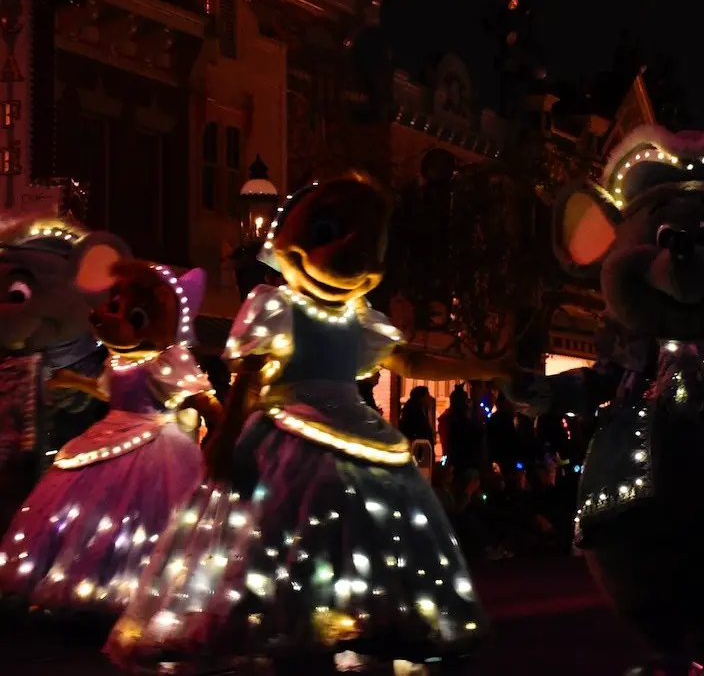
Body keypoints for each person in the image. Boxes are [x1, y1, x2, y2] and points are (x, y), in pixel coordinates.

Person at [106, 173, 499, 675]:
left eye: (367, 244)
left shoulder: (361, 318)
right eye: (328, 232)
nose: (347, 253)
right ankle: (289, 626)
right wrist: (225, 436)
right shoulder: (276, 305)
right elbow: (247, 376)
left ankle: (351, 622)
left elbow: (410, 360)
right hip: (286, 435)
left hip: (355, 430)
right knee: (276, 537)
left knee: (356, 538)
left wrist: (487, 367)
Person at [0, 261, 218, 613]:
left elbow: (200, 399)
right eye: (113, 305)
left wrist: (224, 426)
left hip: (153, 442)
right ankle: (80, 579)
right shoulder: (116, 360)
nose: (109, 317)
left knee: (146, 513)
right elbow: (108, 392)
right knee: (86, 509)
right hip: (109, 432)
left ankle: (138, 584)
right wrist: (75, 381)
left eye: (131, 315)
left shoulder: (165, 361)